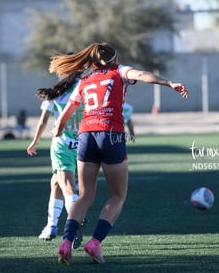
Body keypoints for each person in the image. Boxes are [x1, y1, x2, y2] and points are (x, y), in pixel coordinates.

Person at [49, 42, 189, 264]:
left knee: (84, 196)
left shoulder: (85, 81)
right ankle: (95, 243)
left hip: (86, 136)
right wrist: (168, 83)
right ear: (114, 58)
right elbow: (142, 75)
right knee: (117, 196)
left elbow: (65, 114)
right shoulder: (119, 71)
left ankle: (66, 243)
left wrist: (58, 129)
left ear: (93, 61)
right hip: (111, 135)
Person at [26, 70, 88, 249]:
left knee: (67, 187)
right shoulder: (86, 89)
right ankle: (51, 226)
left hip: (62, 147)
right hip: (83, 145)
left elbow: (42, 122)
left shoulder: (56, 93)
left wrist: (35, 141)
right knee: (55, 182)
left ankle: (76, 221)